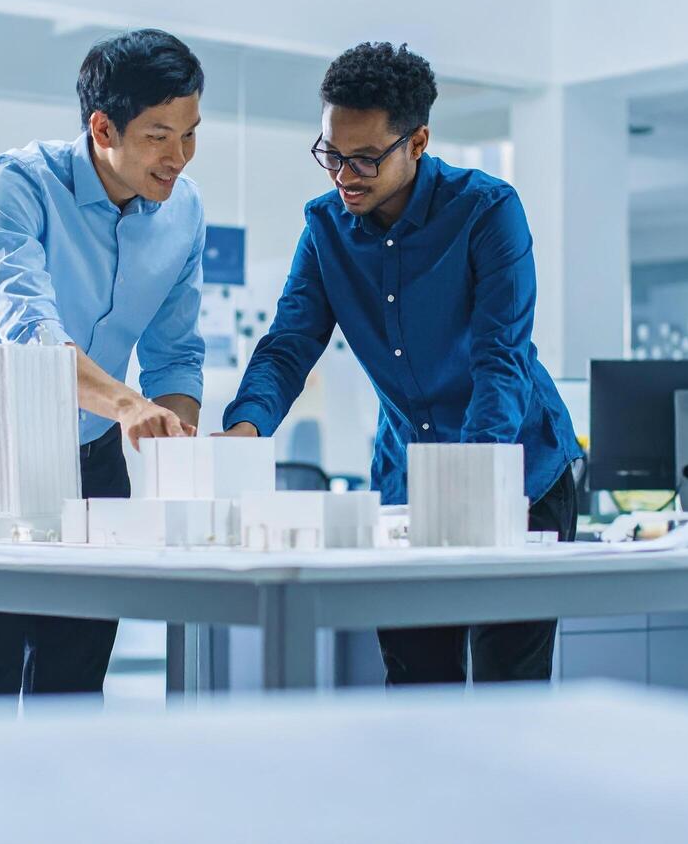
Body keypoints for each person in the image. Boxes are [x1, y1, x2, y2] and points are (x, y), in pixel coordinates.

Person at [221, 42, 581, 685]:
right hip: (408, 481)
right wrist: (244, 432)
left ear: (417, 142)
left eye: (364, 158)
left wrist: (473, 479)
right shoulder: (326, 229)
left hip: (515, 471)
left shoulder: (488, 212)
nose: (344, 174)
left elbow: (501, 357)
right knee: (417, 683)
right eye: (332, 153)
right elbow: (289, 344)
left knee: (510, 689)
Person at [0, 28, 207, 698]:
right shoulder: (16, 185)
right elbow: (32, 337)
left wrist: (182, 451)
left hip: (93, 459)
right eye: (159, 135)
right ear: (103, 126)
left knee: (75, 682)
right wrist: (132, 405)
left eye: (191, 133)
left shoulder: (184, 212)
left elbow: (175, 352)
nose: (179, 158)